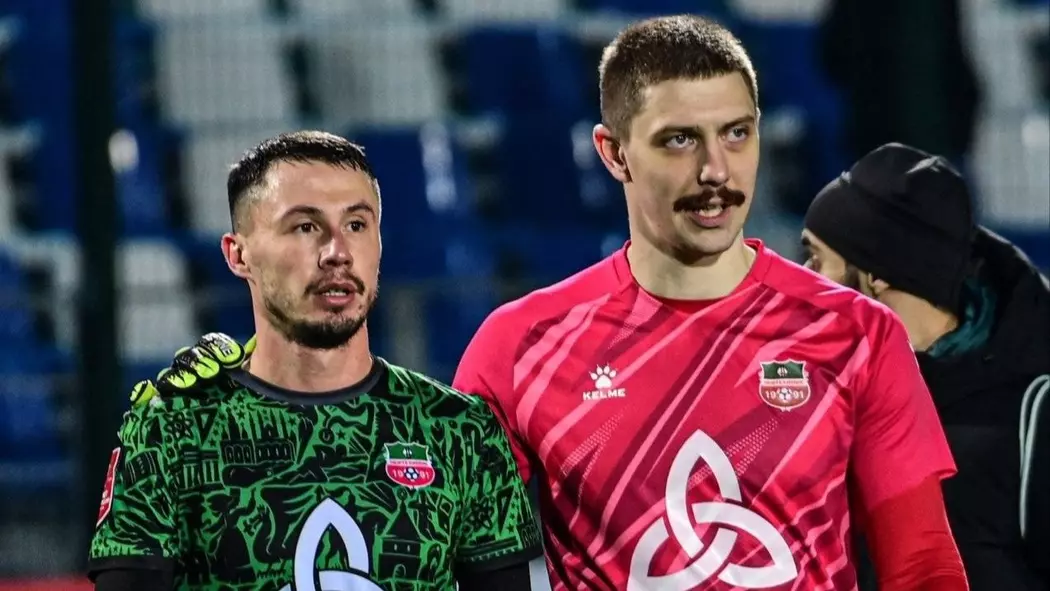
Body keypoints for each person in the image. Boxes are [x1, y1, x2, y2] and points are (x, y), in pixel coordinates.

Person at [133, 16, 970, 590]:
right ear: (613, 152)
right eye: (680, 140)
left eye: (736, 133)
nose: (717, 170)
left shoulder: (854, 333)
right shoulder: (521, 345)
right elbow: (432, 547)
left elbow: (924, 562)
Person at [87, 131, 541, 591]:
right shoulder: (171, 430)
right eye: (305, 227)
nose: (337, 253)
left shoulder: (459, 430)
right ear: (238, 255)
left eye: (357, 225)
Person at [801, 142, 1050, 590]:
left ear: (878, 274)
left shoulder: (1033, 407)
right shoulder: (817, 389)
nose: (804, 276)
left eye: (818, 259)